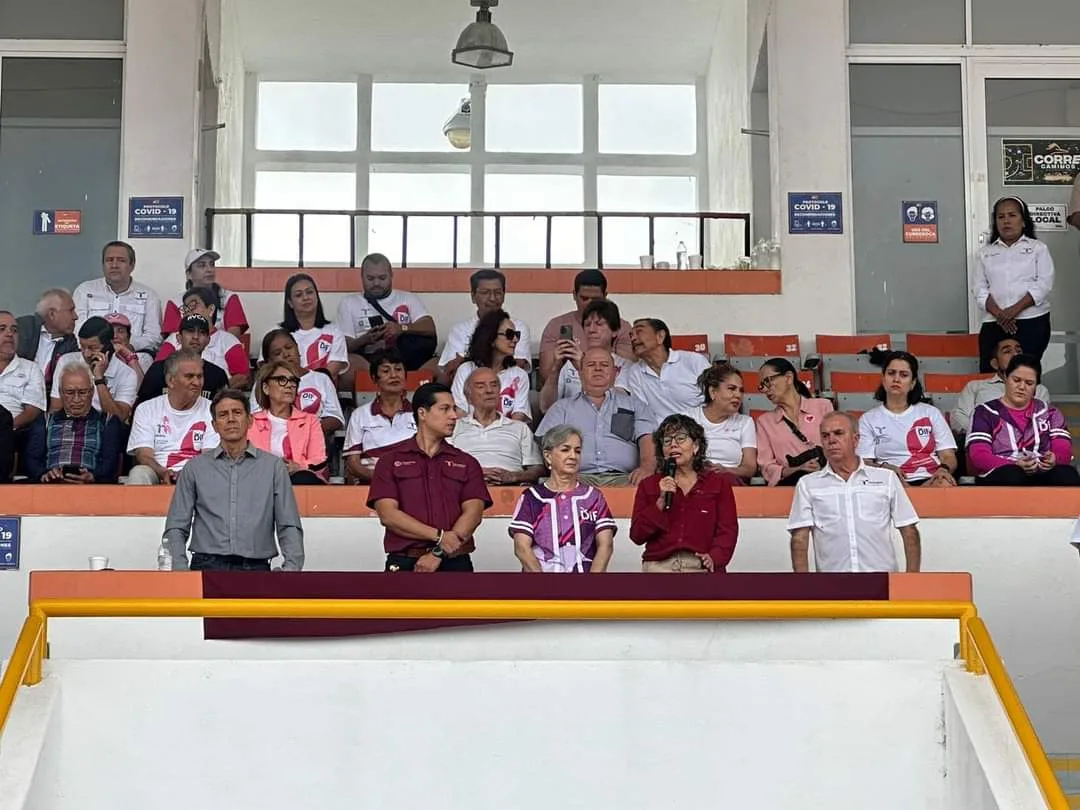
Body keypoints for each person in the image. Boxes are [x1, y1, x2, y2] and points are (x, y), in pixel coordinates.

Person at [161, 388, 304, 572]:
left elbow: (288, 524)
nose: (230, 419)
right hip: (206, 566)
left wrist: (291, 569)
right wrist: (180, 569)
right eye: (223, 414)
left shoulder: (273, 467)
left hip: (256, 568)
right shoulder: (195, 468)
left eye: (237, 412)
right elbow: (176, 526)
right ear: (214, 425)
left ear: (250, 420)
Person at [367, 382, 492, 573]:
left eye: (454, 409)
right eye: (444, 409)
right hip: (404, 561)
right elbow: (388, 515)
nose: (453, 416)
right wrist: (440, 537)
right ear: (422, 413)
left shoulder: (467, 462)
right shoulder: (389, 461)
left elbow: (473, 514)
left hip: (455, 562)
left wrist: (437, 553)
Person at [788, 412, 921, 573]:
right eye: (825, 436)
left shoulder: (887, 478)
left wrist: (912, 580)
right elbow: (799, 539)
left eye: (838, 433)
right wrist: (803, 586)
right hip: (832, 584)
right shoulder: (808, 484)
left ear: (856, 439)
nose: (831, 440)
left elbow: (909, 531)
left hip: (882, 581)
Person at [629, 413, 739, 573]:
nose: (673, 445)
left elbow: (728, 530)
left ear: (696, 446)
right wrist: (659, 503)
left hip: (700, 565)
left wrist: (715, 557)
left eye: (680, 438)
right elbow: (637, 535)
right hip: (659, 566)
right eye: (667, 441)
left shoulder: (718, 484)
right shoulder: (649, 485)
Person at [536, 347, 656, 486]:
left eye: (604, 365)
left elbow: (648, 438)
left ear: (615, 373)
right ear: (580, 373)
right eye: (591, 365)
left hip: (626, 479)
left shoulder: (635, 405)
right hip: (575, 479)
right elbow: (546, 445)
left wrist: (647, 467)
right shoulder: (561, 407)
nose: (598, 369)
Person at [508, 425, 616, 573]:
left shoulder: (593, 496)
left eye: (577, 451)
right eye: (565, 450)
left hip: (585, 587)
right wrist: (545, 588)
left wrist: (592, 586)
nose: (573, 456)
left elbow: (606, 545)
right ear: (548, 456)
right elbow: (521, 547)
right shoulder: (532, 497)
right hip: (541, 589)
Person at [967, 354, 1080, 486]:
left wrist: (1055, 459)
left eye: (1029, 383)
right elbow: (979, 456)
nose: (1022, 387)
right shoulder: (985, 412)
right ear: (1005, 378)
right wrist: (1014, 464)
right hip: (1002, 472)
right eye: (1016, 380)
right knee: (1013, 475)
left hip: (1042, 472)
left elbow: (1063, 450)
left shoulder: (1051, 413)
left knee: (1067, 475)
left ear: (1036, 387)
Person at [973, 196, 1053, 372]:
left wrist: (1014, 310)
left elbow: (1044, 284)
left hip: (1032, 321)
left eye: (1012, 215)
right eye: (1000, 217)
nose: (1006, 221)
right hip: (994, 321)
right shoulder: (985, 253)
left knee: (1026, 373)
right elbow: (979, 289)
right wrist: (1000, 314)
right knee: (990, 373)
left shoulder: (1038, 248)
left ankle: (1032, 401)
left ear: (1023, 221)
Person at [857, 351, 957, 488]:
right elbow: (864, 461)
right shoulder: (868, 419)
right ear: (883, 379)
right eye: (891, 373)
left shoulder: (931, 413)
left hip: (930, 478)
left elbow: (948, 456)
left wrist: (943, 469)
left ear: (913, 383)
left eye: (904, 375)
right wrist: (885, 468)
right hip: (889, 480)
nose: (896, 379)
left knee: (945, 484)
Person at [336, 252, 438, 380]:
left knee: (441, 364)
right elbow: (343, 346)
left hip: (407, 360)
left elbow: (429, 327)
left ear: (391, 275)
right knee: (348, 363)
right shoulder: (349, 302)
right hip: (369, 362)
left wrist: (401, 328)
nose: (376, 283)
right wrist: (366, 339)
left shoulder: (408, 298)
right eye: (370, 278)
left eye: (382, 278)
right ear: (362, 277)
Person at [126, 350, 221, 485]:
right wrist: (162, 471)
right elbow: (144, 455)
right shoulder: (146, 409)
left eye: (200, 376)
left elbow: (209, 457)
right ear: (171, 380)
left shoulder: (213, 410)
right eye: (189, 376)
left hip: (199, 474)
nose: (197, 382)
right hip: (157, 472)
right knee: (138, 473)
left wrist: (188, 474)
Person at [25, 364, 124, 484]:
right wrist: (44, 474)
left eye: (82, 392)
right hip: (51, 485)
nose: (76, 399)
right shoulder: (45, 421)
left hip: (93, 487)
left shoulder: (107, 421)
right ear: (61, 393)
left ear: (92, 392)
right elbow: (32, 459)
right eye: (70, 392)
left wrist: (93, 476)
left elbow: (110, 462)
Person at [449, 366, 544, 486]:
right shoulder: (454, 427)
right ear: (468, 397)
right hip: (465, 489)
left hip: (509, 491)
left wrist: (514, 476)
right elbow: (441, 465)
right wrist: (474, 473)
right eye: (480, 386)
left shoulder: (519, 428)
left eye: (494, 385)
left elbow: (538, 470)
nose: (489, 390)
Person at [539, 269, 632, 383]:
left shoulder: (622, 327)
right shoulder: (556, 325)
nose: (589, 303)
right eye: (584, 298)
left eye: (596, 299)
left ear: (605, 296)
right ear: (574, 295)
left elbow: (626, 374)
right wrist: (557, 364)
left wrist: (581, 363)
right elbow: (546, 375)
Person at [438, 269, 531, 383]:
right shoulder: (459, 330)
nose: (492, 298)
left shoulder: (518, 327)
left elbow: (518, 364)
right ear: (473, 296)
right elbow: (452, 369)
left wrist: (467, 361)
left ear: (504, 294)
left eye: (497, 292)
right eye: (485, 292)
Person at [539, 298, 630, 413]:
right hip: (568, 425)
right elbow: (545, 407)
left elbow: (613, 405)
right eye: (587, 324)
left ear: (615, 331)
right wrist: (555, 369)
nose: (591, 330)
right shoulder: (568, 364)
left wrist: (581, 366)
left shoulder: (624, 366)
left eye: (599, 324)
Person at [73, 240, 162, 355]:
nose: (114, 265)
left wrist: (128, 346)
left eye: (121, 260)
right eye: (109, 260)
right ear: (103, 264)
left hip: (133, 357)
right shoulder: (84, 291)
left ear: (132, 265)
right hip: (91, 355)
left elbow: (154, 336)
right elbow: (76, 331)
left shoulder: (149, 295)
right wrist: (96, 347)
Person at [754, 357, 834, 486]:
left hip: (827, 479)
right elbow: (767, 466)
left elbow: (837, 444)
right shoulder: (765, 421)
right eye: (761, 385)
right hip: (792, 485)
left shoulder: (823, 406)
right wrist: (795, 469)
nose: (765, 389)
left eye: (768, 381)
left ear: (788, 378)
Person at [950, 335, 1050, 436]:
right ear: (995, 364)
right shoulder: (975, 386)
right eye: (1007, 351)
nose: (1015, 354)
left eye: (1018, 351)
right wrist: (984, 434)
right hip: (982, 441)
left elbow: (1041, 421)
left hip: (1024, 445)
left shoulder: (1039, 390)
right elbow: (958, 418)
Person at [343, 349, 417, 483]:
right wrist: (382, 479)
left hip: (412, 482)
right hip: (372, 483)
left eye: (398, 369)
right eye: (386, 371)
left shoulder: (420, 414)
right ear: (374, 379)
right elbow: (353, 464)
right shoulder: (359, 415)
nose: (394, 375)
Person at [248, 360, 327, 485]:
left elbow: (319, 460)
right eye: (281, 379)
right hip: (261, 481)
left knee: (304, 478)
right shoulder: (251, 423)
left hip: (298, 479)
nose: (289, 385)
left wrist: (298, 466)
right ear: (266, 388)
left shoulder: (310, 421)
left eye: (293, 381)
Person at [155, 286, 249, 388]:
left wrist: (217, 392)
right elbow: (159, 370)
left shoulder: (229, 340)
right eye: (186, 308)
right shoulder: (173, 339)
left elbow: (242, 377)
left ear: (211, 309)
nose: (188, 311)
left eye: (193, 305)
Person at [256, 329, 344, 436]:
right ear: (269, 361)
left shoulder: (321, 379)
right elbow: (256, 418)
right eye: (277, 353)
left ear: (297, 349)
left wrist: (307, 430)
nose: (286, 354)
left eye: (289, 348)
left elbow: (336, 418)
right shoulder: (263, 383)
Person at [450, 308, 532, 422]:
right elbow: (460, 413)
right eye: (509, 334)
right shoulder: (466, 370)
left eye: (517, 334)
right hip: (470, 433)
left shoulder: (520, 375)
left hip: (507, 435)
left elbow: (518, 418)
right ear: (491, 338)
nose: (515, 340)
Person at [50, 316, 138, 422]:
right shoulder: (66, 361)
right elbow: (56, 408)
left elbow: (117, 419)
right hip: (69, 424)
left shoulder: (127, 374)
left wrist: (99, 379)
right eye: (82, 347)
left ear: (109, 345)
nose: (86, 354)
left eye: (93, 348)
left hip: (104, 430)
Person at [622, 317, 711, 419]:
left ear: (660, 336)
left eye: (639, 332)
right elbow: (643, 414)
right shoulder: (635, 372)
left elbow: (717, 397)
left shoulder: (694, 361)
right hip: (663, 432)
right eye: (631, 335)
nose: (633, 338)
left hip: (701, 429)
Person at [685, 363, 757, 481]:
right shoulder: (689, 417)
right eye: (731, 389)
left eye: (741, 390)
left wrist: (725, 470)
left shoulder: (745, 422)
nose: (738, 395)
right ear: (713, 392)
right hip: (694, 479)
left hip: (729, 481)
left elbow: (749, 468)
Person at [137, 315, 229, 406]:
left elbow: (225, 410)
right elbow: (141, 408)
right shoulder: (158, 370)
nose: (196, 336)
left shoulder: (217, 375)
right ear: (179, 338)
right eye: (190, 331)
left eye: (202, 332)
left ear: (208, 340)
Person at [161, 249, 249, 338]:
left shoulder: (229, 298)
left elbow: (233, 339)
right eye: (202, 265)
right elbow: (173, 340)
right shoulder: (175, 302)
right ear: (189, 274)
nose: (209, 269)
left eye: (212, 264)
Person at [281, 273, 348, 381]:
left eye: (309, 292)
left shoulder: (334, 332)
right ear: (290, 303)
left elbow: (332, 371)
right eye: (298, 295)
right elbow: (269, 369)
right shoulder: (278, 333)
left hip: (323, 393)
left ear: (317, 296)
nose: (305, 297)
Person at [16, 288, 78, 388]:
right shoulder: (23, 328)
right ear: (52, 314)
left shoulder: (70, 343)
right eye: (71, 310)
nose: (75, 316)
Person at [0, 311, 46, 433]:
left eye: (14, 330)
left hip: (11, 433)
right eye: (2, 329)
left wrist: (5, 428)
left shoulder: (31, 369)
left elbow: (32, 411)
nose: (9, 334)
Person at [105, 313, 150, 383]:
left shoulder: (144, 358)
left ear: (128, 337)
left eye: (120, 331)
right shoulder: (95, 358)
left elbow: (139, 389)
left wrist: (129, 356)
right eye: (110, 332)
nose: (115, 336)